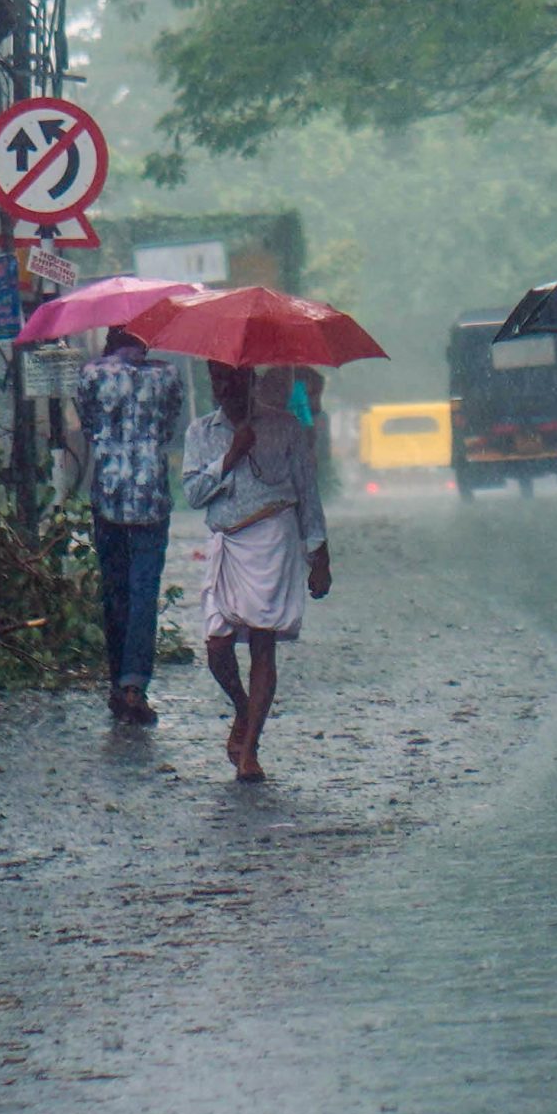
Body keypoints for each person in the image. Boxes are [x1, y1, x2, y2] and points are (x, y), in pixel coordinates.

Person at [183, 362, 330, 782]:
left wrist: (318, 553)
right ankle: (244, 708)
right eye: (216, 380)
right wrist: (230, 457)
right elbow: (193, 493)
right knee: (216, 645)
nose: (223, 388)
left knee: (263, 645)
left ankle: (250, 751)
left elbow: (307, 491)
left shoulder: (285, 427)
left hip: (274, 539)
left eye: (231, 379)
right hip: (227, 543)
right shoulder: (201, 433)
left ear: (250, 380)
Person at [73, 326, 187, 726]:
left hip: (107, 494)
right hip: (151, 497)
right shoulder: (168, 376)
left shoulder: (89, 375)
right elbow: (169, 429)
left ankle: (114, 681)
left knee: (115, 589)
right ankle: (134, 685)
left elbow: (89, 429)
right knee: (143, 591)